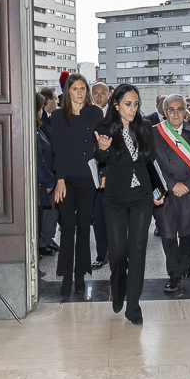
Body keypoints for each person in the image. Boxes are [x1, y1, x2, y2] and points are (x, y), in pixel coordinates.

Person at [95, 85, 164, 326]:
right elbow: (100, 159)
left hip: (141, 196)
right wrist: (102, 149)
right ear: (116, 105)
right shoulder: (104, 129)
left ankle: (133, 306)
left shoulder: (145, 127)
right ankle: (118, 286)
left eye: (135, 104)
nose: (132, 109)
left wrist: (157, 191)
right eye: (127, 104)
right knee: (117, 253)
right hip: (114, 198)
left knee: (137, 250)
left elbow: (151, 163)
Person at [51, 74, 103, 296]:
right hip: (66, 178)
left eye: (83, 88)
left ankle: (81, 274)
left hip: (87, 177)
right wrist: (60, 180)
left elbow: (101, 145)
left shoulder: (95, 113)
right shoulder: (57, 116)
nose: (80, 92)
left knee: (83, 225)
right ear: (68, 91)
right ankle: (66, 275)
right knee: (67, 226)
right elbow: (57, 149)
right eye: (75, 89)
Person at [152, 95, 190, 292]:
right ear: (164, 112)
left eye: (179, 109)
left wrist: (187, 185)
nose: (175, 113)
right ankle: (174, 275)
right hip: (166, 192)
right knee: (167, 234)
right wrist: (172, 185)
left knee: (188, 233)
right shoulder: (155, 132)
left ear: (186, 111)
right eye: (171, 109)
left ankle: (185, 267)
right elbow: (151, 163)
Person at [90, 81, 110, 269]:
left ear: (108, 94)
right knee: (98, 215)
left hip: (115, 172)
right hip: (93, 172)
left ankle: (118, 251)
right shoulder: (86, 115)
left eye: (102, 93)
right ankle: (102, 253)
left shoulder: (117, 115)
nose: (98, 96)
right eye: (95, 93)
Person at [35, 92, 57, 257]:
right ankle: (40, 245)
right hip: (42, 182)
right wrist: (50, 181)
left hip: (47, 177)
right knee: (38, 221)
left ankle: (45, 242)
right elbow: (39, 160)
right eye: (40, 108)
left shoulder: (40, 128)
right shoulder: (35, 131)